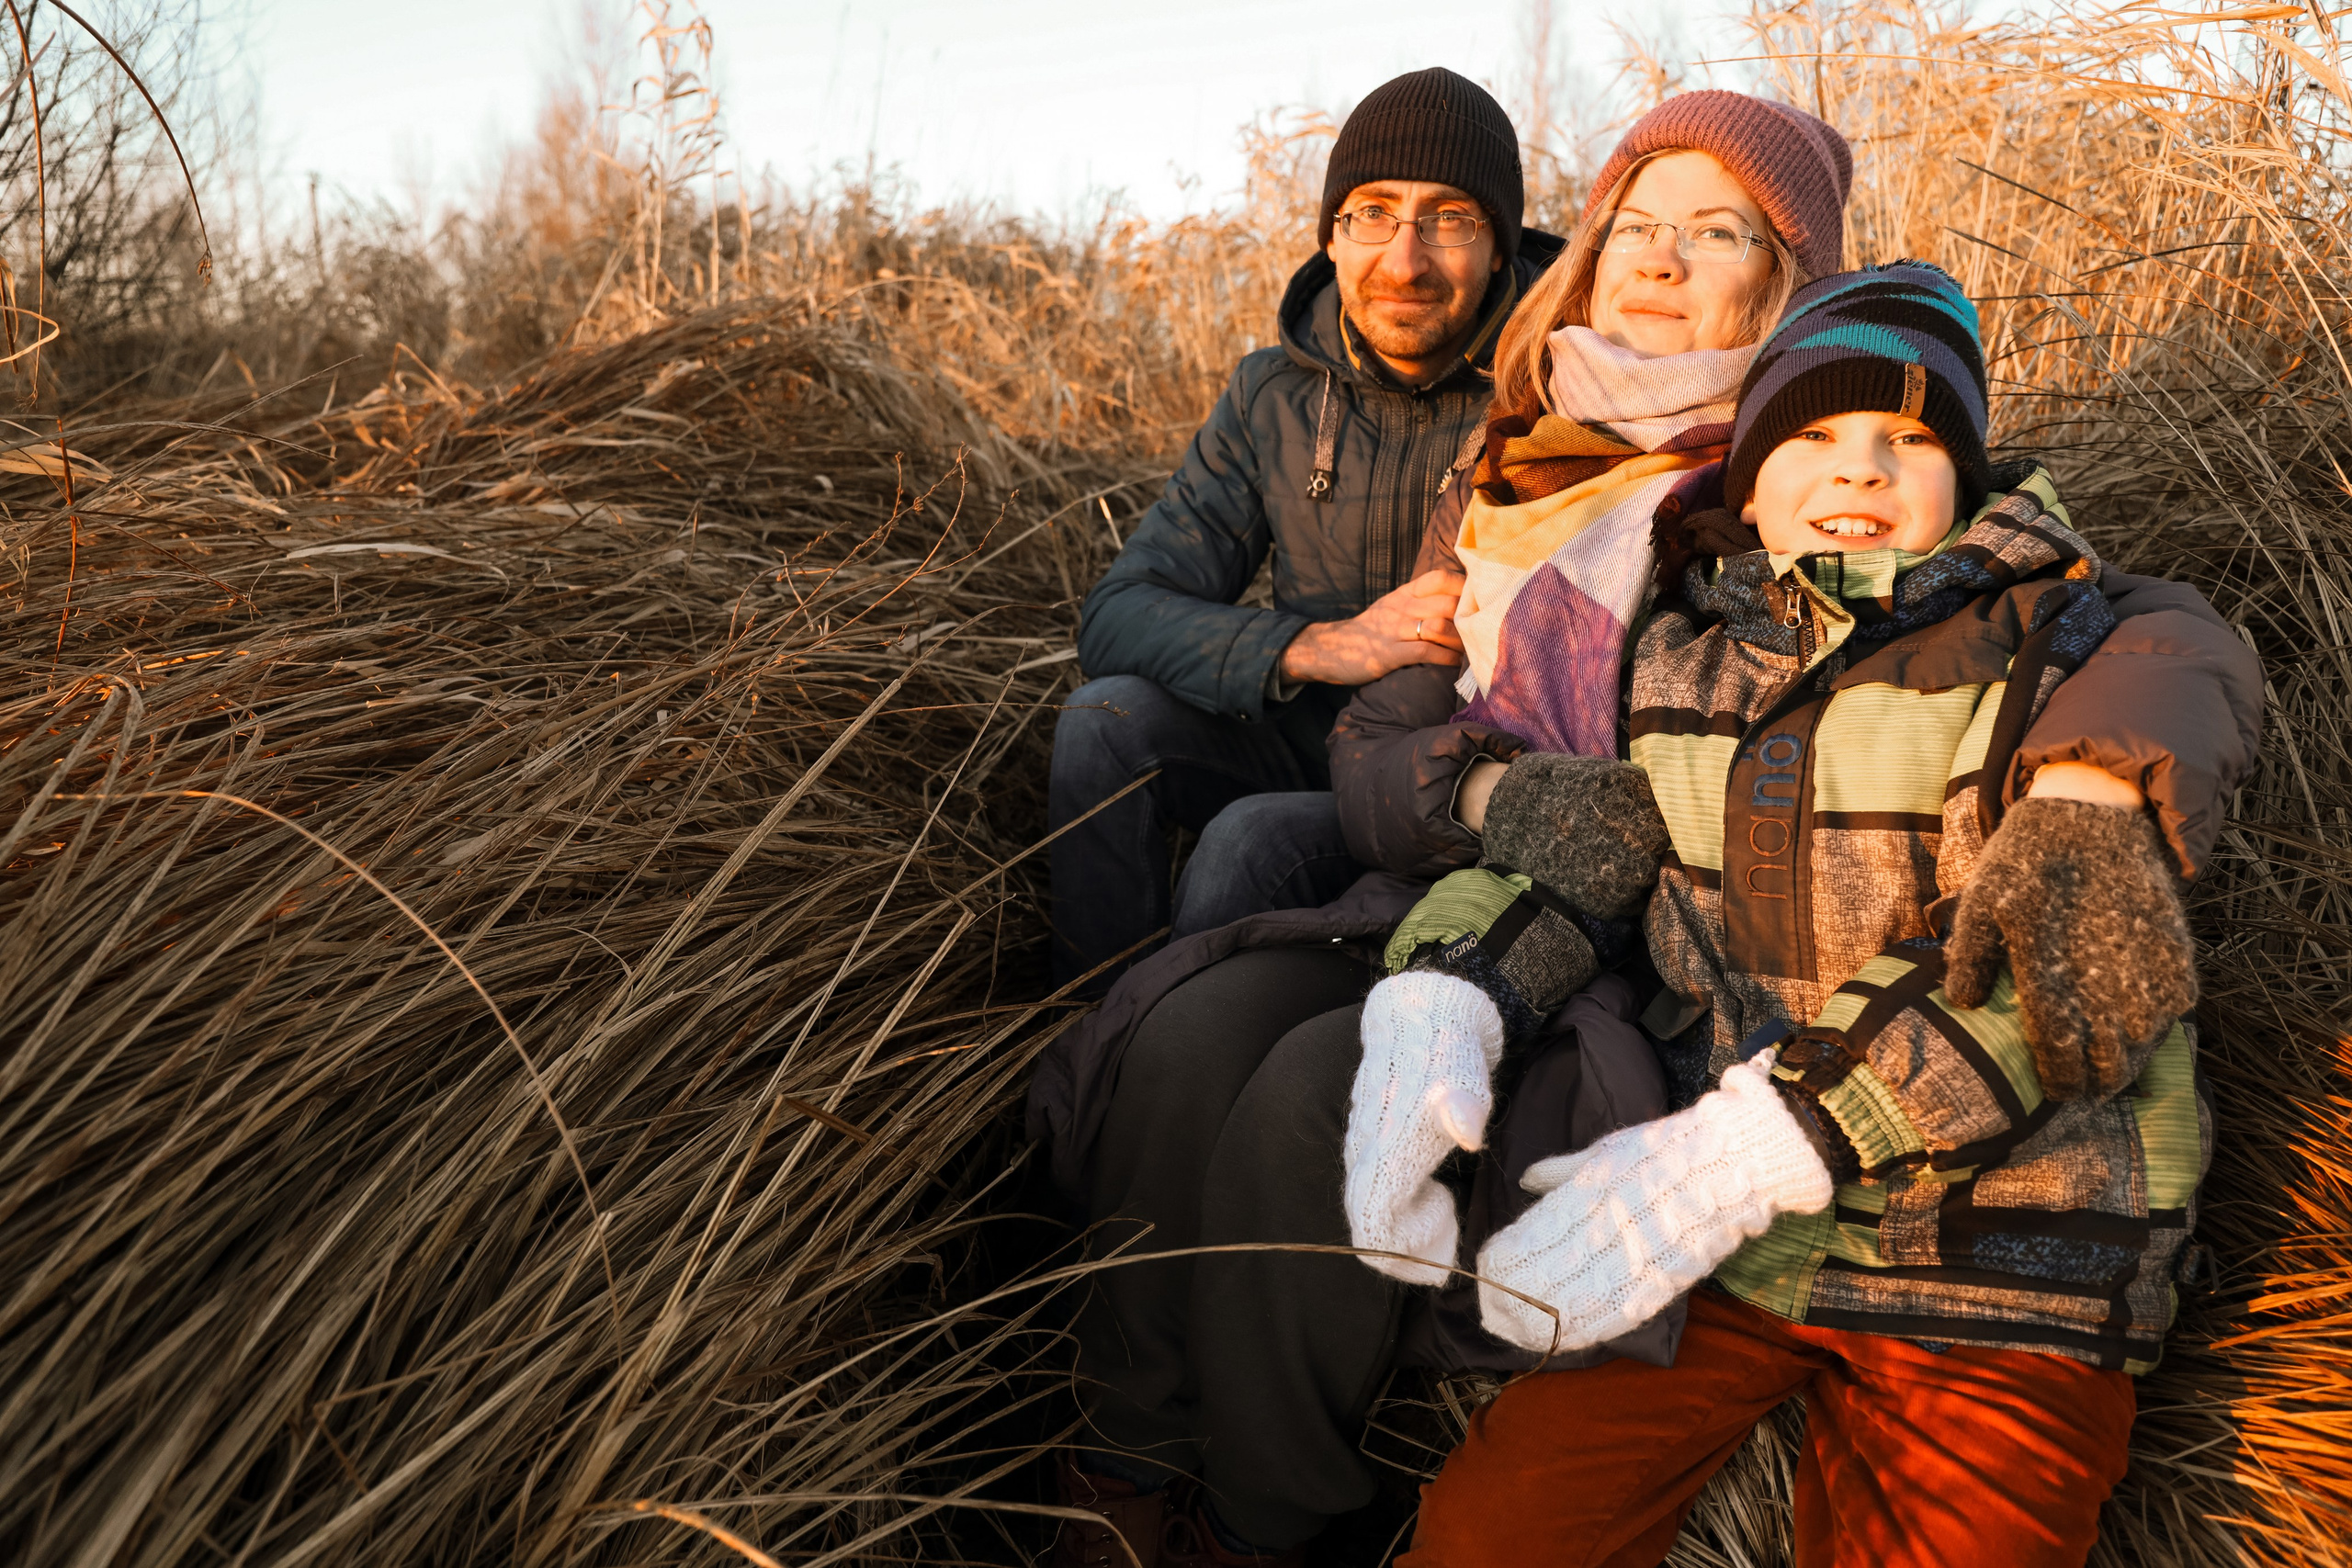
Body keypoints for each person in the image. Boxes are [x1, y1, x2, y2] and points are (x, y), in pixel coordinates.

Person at [1031, 91, 1859, 1567]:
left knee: (1303, 1088)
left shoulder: (1819, 473)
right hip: (1437, 875)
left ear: (1789, 279)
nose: (1663, 262)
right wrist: (1479, 787)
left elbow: (2031, 587)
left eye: (1716, 232)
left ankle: (1266, 1516)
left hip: (1612, 953)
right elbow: (1370, 744)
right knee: (1180, 1037)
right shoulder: (1521, 464)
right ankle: (1126, 1451)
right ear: (1591, 260)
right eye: (1639, 232)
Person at [1351, 263, 2263, 1567]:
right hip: (1738, 1248)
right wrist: (1445, 987)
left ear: (1966, 477)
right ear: (1750, 478)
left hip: (2006, 1250)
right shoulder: (1672, 661)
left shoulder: (2055, 647)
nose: (1863, 468)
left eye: (1910, 440)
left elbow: (2044, 961)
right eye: (1815, 437)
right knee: (1492, 1529)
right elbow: (1594, 857)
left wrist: (1772, 1134)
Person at [1047, 67, 1564, 998]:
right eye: (1371, 213)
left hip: (1455, 772)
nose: (1403, 260)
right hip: (1302, 736)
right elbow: (1118, 613)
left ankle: (1167, 1066)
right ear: (1331, 235)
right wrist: (1314, 646)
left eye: (1450, 218)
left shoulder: (1557, 391)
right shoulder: (1270, 394)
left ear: (1500, 246)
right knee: (1103, 725)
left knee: (1244, 844)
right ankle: (1085, 1035)